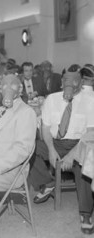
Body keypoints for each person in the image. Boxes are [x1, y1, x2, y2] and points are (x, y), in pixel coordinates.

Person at [28, 68, 94, 234]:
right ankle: (48, 181)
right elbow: (45, 127)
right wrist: (50, 149)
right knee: (29, 148)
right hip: (55, 142)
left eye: (73, 82)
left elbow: (90, 133)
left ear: (80, 83)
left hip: (79, 143)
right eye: (65, 81)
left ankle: (85, 213)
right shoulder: (52, 99)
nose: (68, 85)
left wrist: (73, 154)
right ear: (61, 82)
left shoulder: (89, 101)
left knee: (85, 165)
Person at [0, 74, 37, 192]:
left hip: (8, 171)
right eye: (4, 86)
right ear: (0, 90)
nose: (8, 89)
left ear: (20, 89)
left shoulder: (26, 112)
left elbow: (22, 149)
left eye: (12, 85)